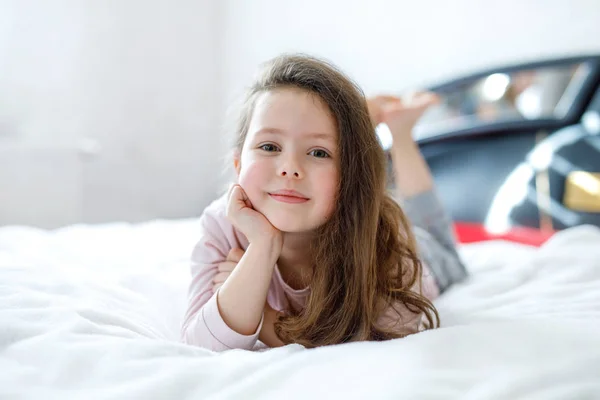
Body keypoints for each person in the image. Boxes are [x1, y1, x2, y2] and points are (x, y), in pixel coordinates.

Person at [180, 54, 467, 351]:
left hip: (422, 251)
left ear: (348, 176)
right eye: (269, 146)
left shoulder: (386, 247)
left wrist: (263, 319)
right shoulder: (223, 224)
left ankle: (401, 133)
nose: (289, 167)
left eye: (318, 152)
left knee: (438, 241)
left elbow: (386, 333)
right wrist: (262, 247)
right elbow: (200, 343)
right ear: (238, 165)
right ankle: (351, 131)